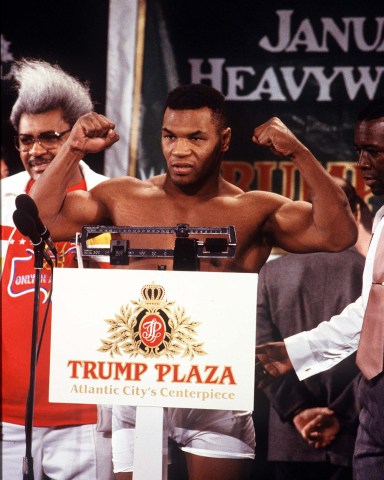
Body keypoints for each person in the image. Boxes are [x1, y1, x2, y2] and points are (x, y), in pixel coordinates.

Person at [29, 83, 358, 480]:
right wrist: (72, 148)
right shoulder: (122, 196)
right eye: (170, 136)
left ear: (224, 141)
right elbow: (42, 221)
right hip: (134, 382)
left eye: (195, 138)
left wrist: (299, 153)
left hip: (215, 388)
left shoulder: (254, 209)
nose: (179, 150)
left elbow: (338, 234)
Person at [255, 97, 384, 480]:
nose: (363, 163)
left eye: (374, 152)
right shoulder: (381, 221)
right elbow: (371, 314)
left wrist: (296, 149)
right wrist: (295, 351)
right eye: (359, 151)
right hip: (368, 414)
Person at [1, 59, 114, 480]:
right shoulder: (1, 199)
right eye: (26, 139)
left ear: (78, 136)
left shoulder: (112, 199)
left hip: (88, 417)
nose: (36, 150)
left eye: (51, 137)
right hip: (7, 419)